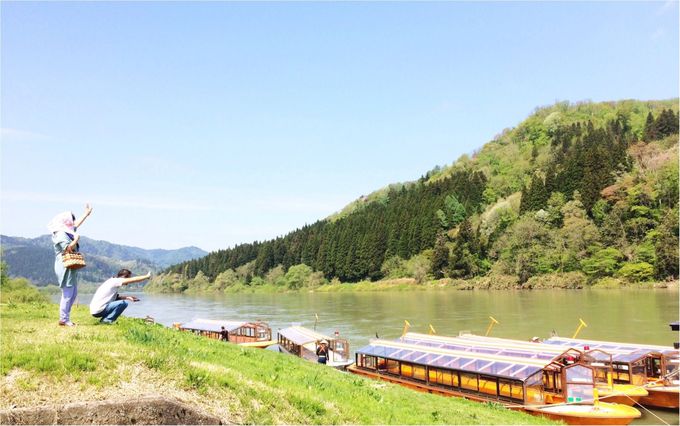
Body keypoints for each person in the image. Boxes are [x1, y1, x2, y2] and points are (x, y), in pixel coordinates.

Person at [47, 204, 93, 327]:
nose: (73, 222)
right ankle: (64, 319)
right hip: (64, 266)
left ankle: (65, 318)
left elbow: (76, 225)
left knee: (73, 293)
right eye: (71, 220)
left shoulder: (67, 231)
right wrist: (76, 240)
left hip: (69, 266)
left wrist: (86, 214)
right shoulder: (61, 234)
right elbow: (67, 249)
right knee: (68, 293)